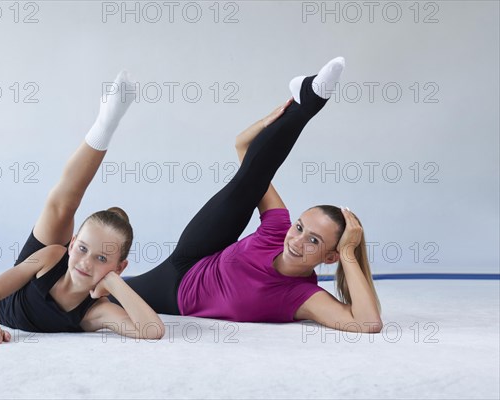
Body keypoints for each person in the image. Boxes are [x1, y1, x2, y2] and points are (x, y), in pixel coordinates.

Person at [110, 57, 383, 333]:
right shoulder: (278, 231)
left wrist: (349, 250)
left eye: (313, 240)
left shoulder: (302, 296)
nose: (296, 240)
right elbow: (243, 148)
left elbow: (368, 323)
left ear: (331, 258)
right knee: (250, 181)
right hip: (197, 255)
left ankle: (307, 102)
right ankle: (306, 102)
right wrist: (269, 120)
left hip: (173, 291)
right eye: (299, 227)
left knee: (103, 294)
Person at [0, 72, 165, 344]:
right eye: (83, 249)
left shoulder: (96, 312)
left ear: (119, 267)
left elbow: (153, 330)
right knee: (61, 205)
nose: (86, 262)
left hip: (35, 293)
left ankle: (106, 125)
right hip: (7, 302)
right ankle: (105, 124)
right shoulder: (53, 255)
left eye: (102, 259)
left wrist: (114, 282)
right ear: (72, 244)